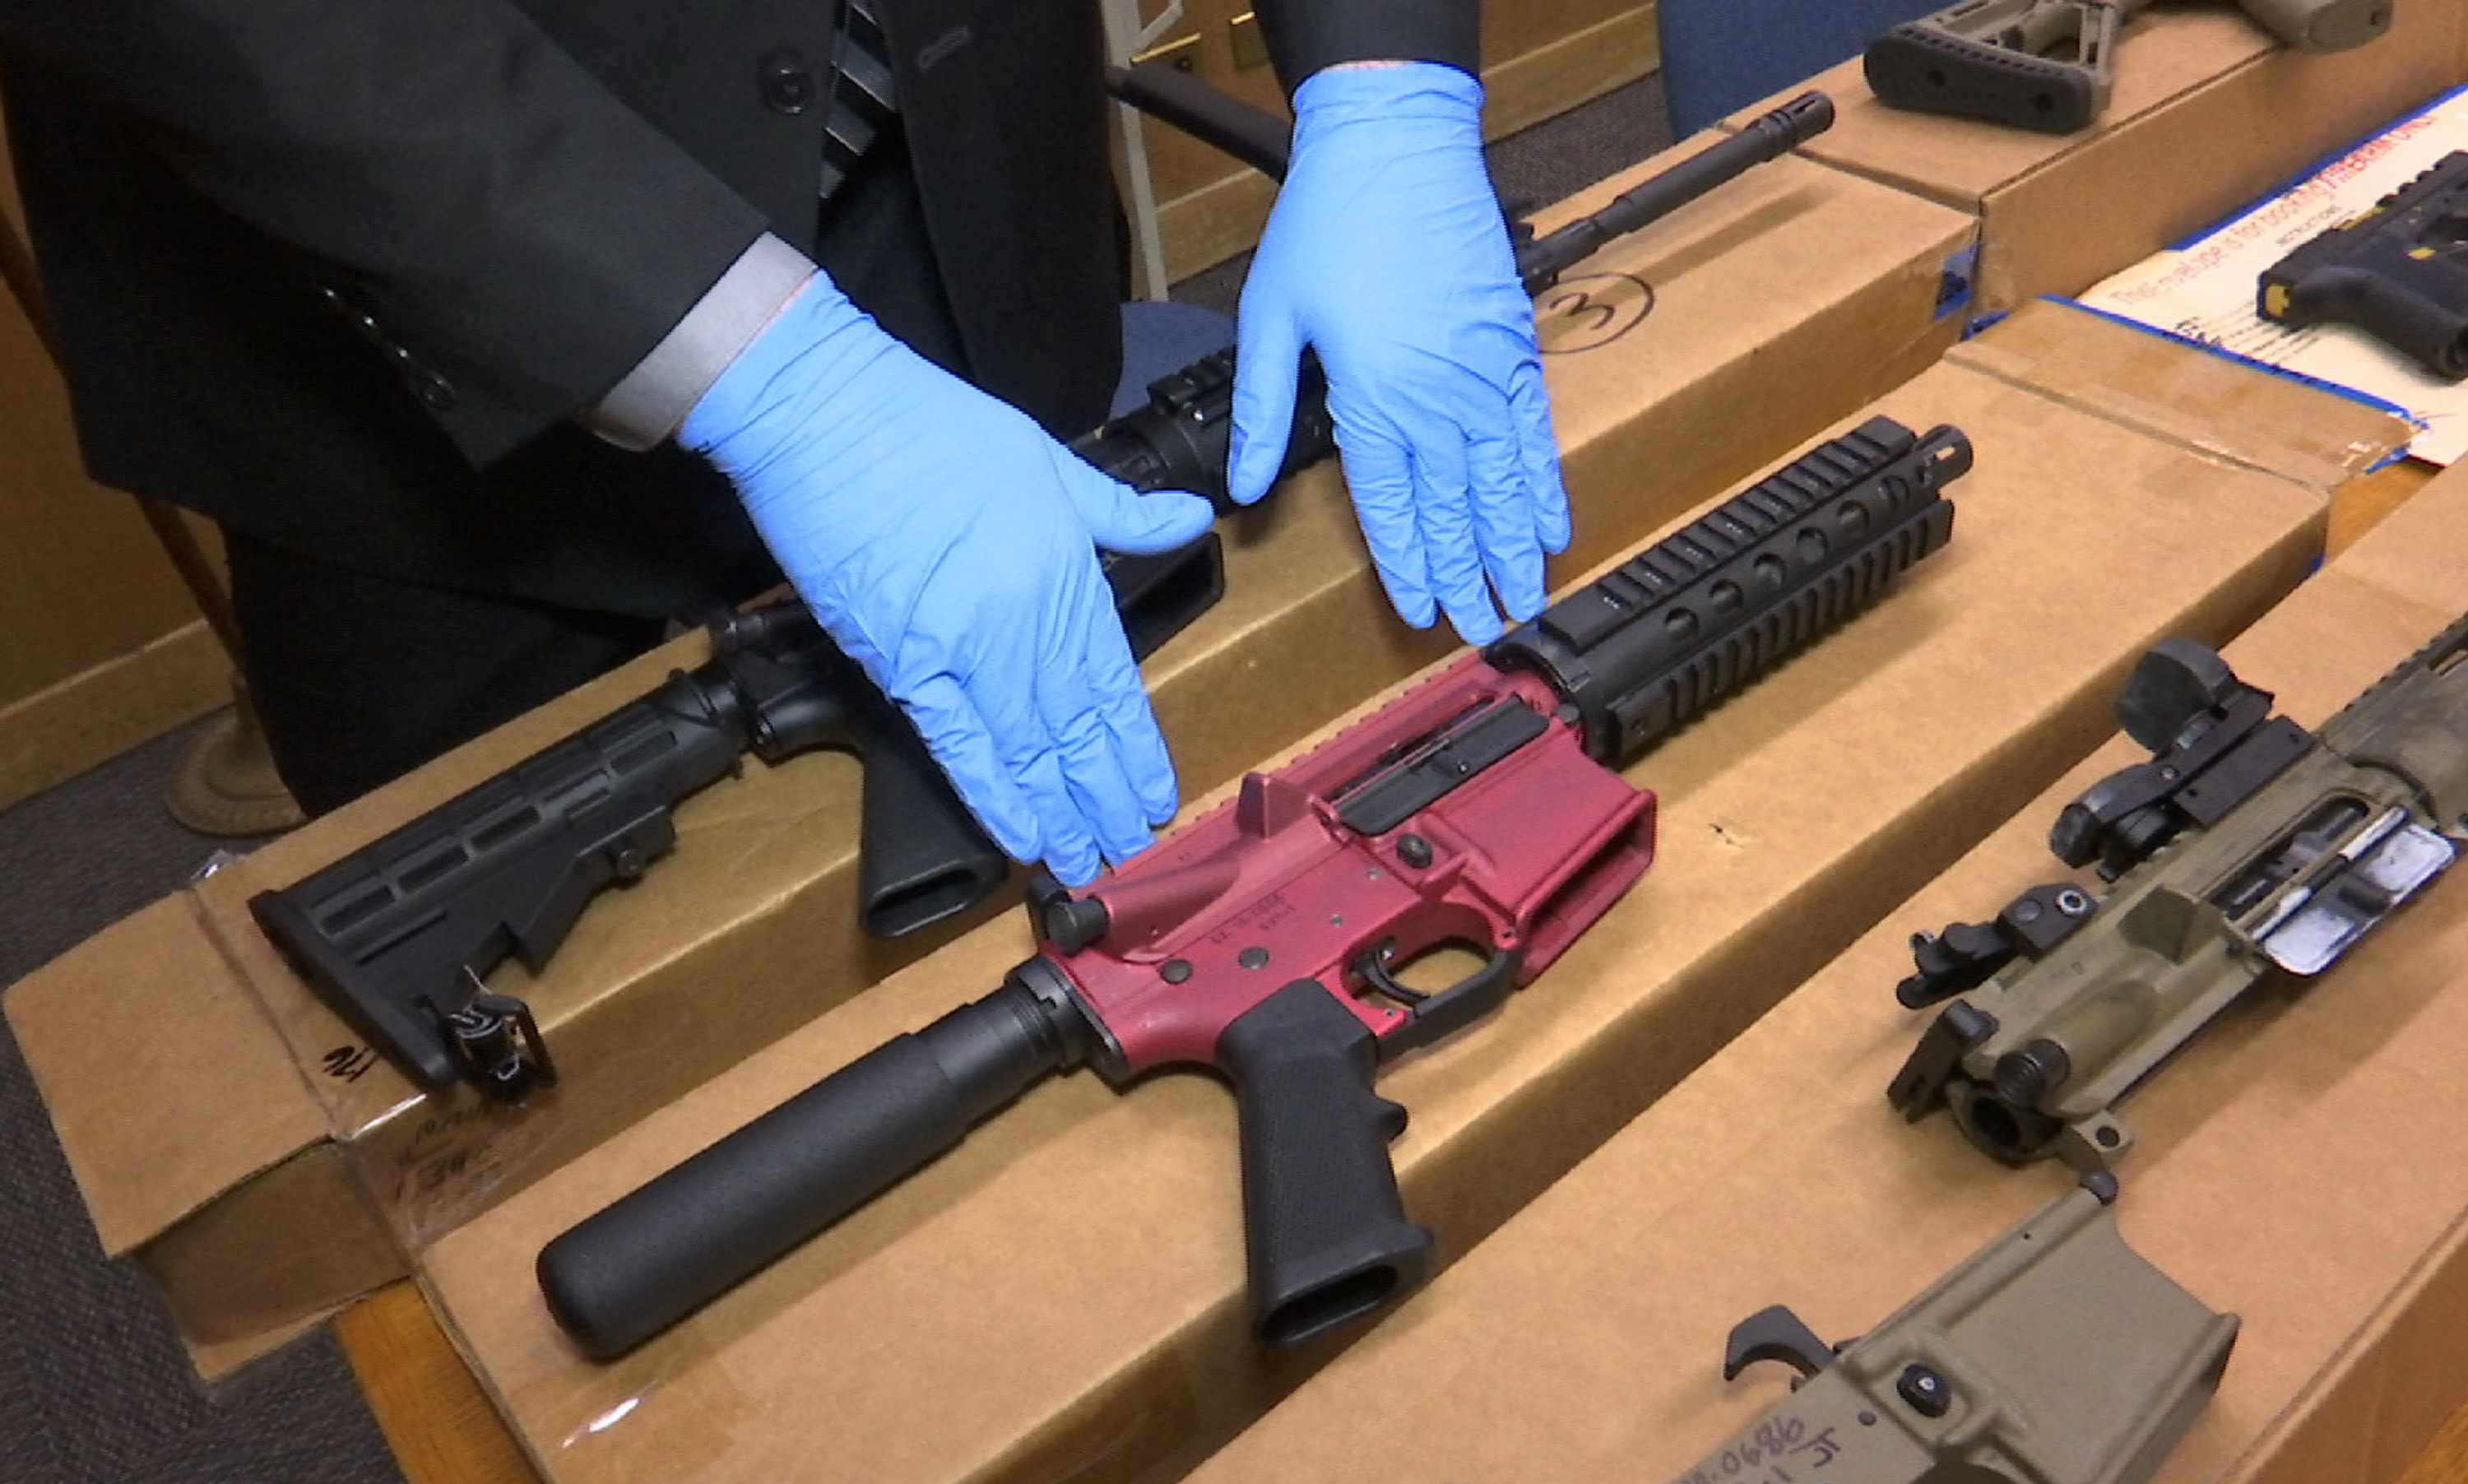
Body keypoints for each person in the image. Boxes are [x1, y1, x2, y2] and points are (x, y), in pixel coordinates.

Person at [0, 0, 1569, 886]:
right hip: (432, 380)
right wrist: (776, 375)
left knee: (1118, 875)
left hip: (974, 203)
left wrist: (1385, 83)